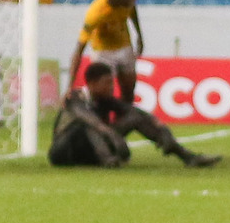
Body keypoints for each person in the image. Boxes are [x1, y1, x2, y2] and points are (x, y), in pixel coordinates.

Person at [50, 61, 219, 168]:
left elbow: (134, 112)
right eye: (107, 83)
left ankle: (185, 155)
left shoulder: (103, 99)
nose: (111, 87)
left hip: (87, 153)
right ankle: (107, 159)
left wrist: (160, 126)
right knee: (87, 124)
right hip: (63, 153)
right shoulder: (74, 98)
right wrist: (112, 136)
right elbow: (90, 121)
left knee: (135, 118)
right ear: (92, 84)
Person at [70, 0, 145, 104]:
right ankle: (100, 121)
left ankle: (123, 123)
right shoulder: (96, 13)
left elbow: (132, 10)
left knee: (129, 90)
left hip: (124, 45)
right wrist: (69, 87)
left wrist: (139, 35)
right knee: (102, 94)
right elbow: (79, 49)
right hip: (103, 51)